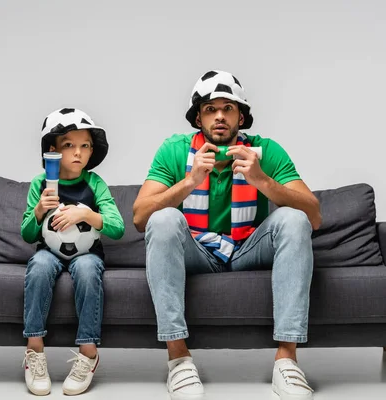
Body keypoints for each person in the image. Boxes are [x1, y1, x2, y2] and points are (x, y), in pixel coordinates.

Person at [132, 70, 321, 400]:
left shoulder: (264, 151)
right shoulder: (175, 151)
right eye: (210, 109)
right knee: (162, 221)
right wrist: (189, 181)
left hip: (249, 247)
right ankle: (178, 359)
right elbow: (139, 217)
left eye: (228, 108)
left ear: (241, 116)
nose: (219, 116)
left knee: (293, 219)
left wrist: (262, 180)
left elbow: (314, 215)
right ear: (198, 119)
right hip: (197, 249)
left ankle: (287, 359)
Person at [20, 108, 124, 396]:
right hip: (49, 251)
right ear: (53, 150)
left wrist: (85, 214)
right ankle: (34, 351)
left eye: (85, 146)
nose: (78, 153)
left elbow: (117, 227)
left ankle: (88, 353)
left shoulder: (94, 183)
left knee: (89, 270)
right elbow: (27, 234)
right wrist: (39, 210)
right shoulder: (40, 184)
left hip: (86, 253)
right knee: (39, 265)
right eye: (69, 145)